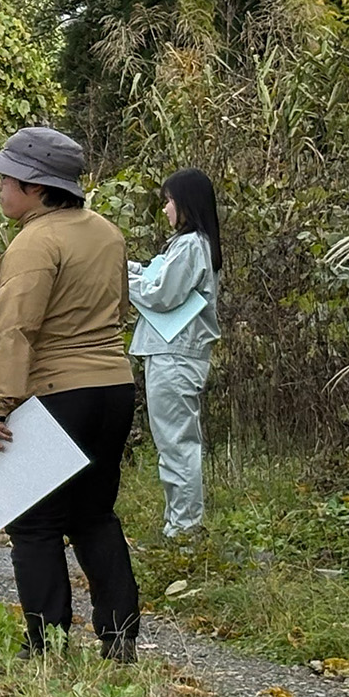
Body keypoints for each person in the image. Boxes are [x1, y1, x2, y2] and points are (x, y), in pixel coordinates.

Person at [0, 126, 141, 660]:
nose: (0, 187)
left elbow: (17, 328)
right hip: (113, 385)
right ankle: (119, 639)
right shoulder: (105, 232)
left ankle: (46, 643)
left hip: (57, 391)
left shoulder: (36, 241)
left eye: (7, 178)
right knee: (94, 513)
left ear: (37, 187)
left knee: (35, 521)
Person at [129, 167, 222, 539]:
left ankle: (183, 531)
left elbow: (161, 296)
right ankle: (178, 525)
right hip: (175, 354)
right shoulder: (192, 245)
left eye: (169, 201)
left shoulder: (189, 245)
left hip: (175, 356)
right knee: (173, 442)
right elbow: (156, 277)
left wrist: (121, 280)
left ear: (185, 204)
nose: (166, 209)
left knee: (176, 444)